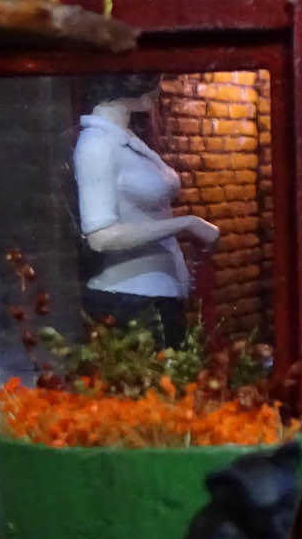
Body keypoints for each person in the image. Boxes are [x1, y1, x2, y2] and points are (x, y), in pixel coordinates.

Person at [72, 74, 220, 347]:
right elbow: (100, 236)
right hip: (130, 301)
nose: (159, 90)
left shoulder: (124, 138)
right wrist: (185, 224)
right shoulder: (97, 145)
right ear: (126, 83)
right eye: (151, 80)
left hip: (157, 296)